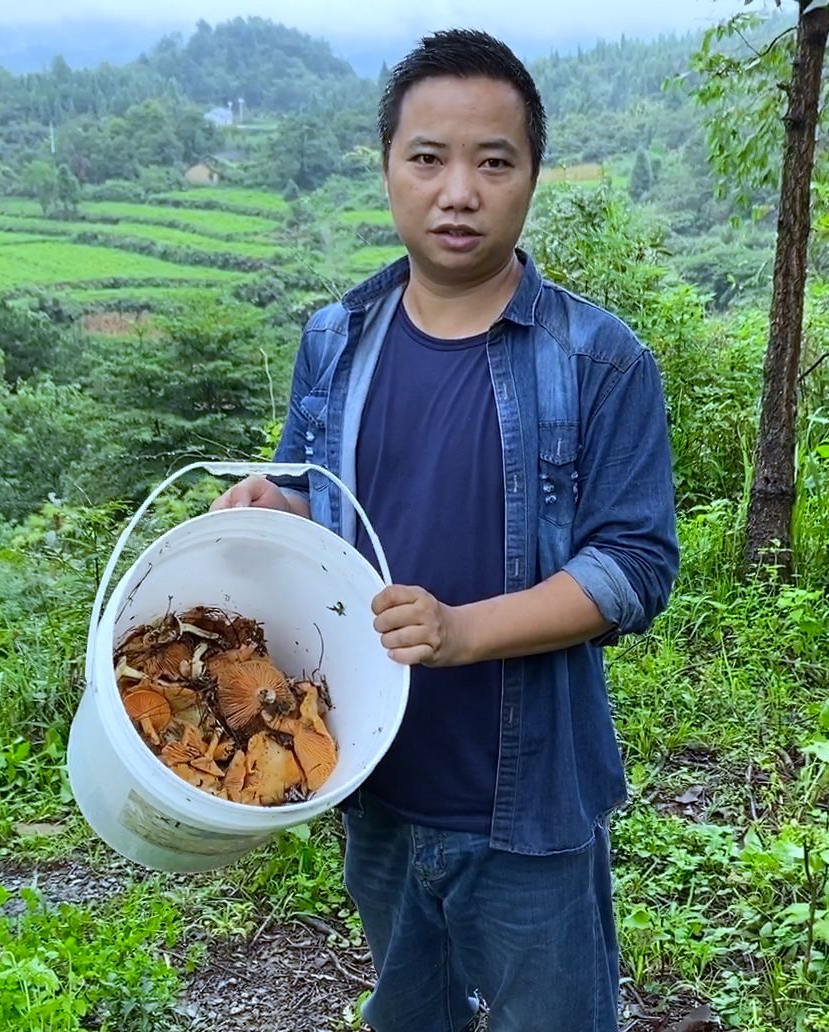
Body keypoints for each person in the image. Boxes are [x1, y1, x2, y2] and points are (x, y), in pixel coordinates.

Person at [211, 28, 679, 1032]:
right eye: (427, 159)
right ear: (387, 168)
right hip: (373, 774)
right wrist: (270, 508)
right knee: (408, 1009)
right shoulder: (335, 339)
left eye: (491, 162)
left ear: (530, 177)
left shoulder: (599, 361)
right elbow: (316, 504)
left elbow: (634, 565)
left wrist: (463, 631)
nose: (456, 191)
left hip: (527, 801)